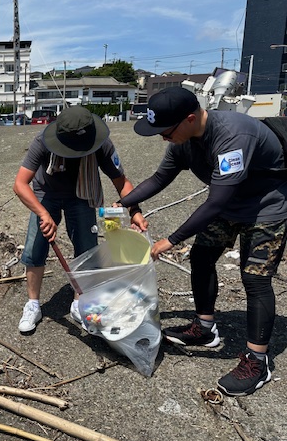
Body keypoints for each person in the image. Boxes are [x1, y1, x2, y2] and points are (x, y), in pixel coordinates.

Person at [119, 86, 287, 396]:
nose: (162, 138)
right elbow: (159, 178)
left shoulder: (233, 137)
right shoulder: (183, 140)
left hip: (265, 208)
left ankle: (257, 361)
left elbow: (215, 202)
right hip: (231, 205)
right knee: (201, 257)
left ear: (190, 119)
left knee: (255, 279)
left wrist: (171, 239)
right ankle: (205, 328)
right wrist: (124, 204)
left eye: (165, 132)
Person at [13, 106, 148, 334]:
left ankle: (79, 302)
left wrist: (135, 211)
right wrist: (43, 213)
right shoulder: (42, 141)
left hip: (82, 192)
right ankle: (33, 304)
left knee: (86, 248)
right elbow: (20, 183)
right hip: (46, 193)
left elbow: (121, 182)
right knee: (35, 246)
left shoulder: (101, 144)